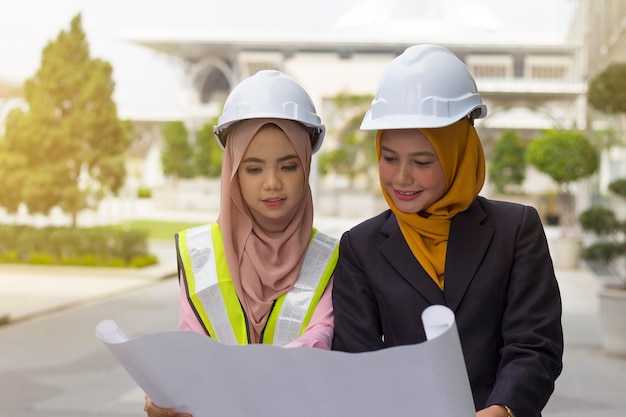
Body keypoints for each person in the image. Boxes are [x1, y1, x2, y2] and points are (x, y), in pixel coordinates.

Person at [331, 44, 563, 417]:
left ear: (459, 156)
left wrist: (502, 409)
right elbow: (358, 361)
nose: (401, 177)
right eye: (389, 158)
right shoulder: (361, 246)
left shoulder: (516, 230)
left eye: (422, 162)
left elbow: (535, 345)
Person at [145, 70, 339, 417]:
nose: (272, 183)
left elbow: (324, 343)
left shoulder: (334, 258)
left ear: (306, 165)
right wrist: (168, 392)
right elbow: (189, 351)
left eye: (288, 166)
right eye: (253, 169)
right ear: (233, 171)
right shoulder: (197, 253)